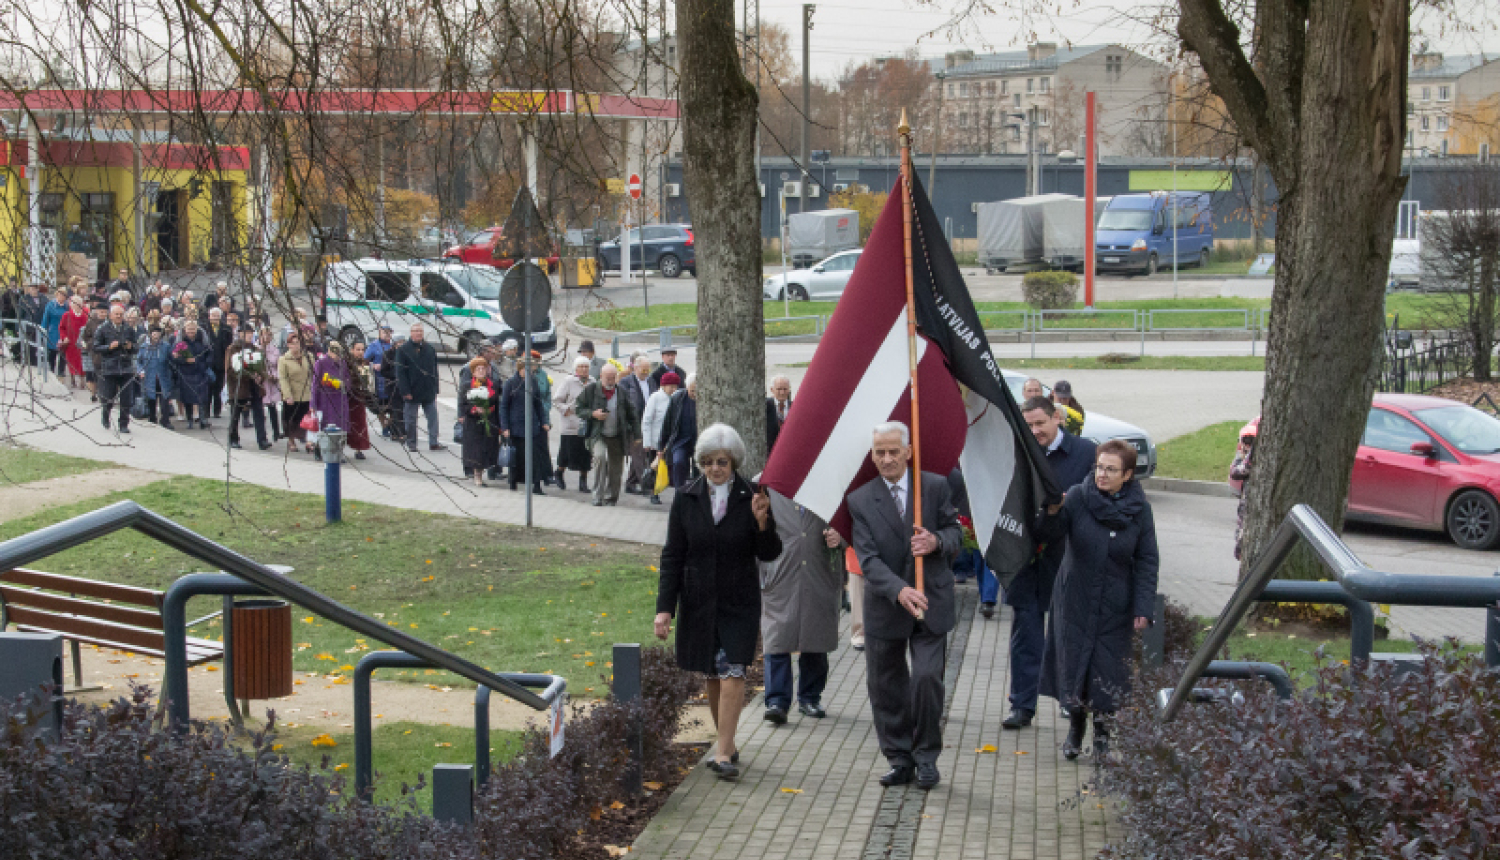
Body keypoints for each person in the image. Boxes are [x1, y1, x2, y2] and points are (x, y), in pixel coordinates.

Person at [654, 424, 781, 781]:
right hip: (699, 601)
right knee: (712, 673)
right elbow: (672, 555)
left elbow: (770, 552)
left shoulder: (753, 494)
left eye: (722, 462)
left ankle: (723, 752)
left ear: (734, 462)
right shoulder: (686, 496)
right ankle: (727, 740)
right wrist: (665, 609)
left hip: (739, 601)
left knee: (733, 670)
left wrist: (762, 523)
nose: (715, 469)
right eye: (707, 462)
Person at [848, 421, 962, 791]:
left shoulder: (934, 486)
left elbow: (956, 533)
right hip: (887, 605)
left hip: (931, 601)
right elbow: (868, 560)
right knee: (886, 687)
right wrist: (899, 590)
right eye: (879, 452)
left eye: (893, 451)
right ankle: (899, 758)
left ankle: (926, 757)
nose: (885, 459)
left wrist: (936, 542)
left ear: (908, 452)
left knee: (927, 679)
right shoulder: (860, 500)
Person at [1039, 440, 1158, 760]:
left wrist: (1142, 608)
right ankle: (1075, 727)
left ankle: (1103, 734)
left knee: (1107, 671)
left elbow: (1147, 560)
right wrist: (1051, 512)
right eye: (1099, 467)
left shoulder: (1140, 509)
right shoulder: (1078, 496)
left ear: (1128, 475)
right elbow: (1051, 534)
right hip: (1075, 597)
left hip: (1115, 603)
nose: (1102, 475)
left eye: (1111, 470)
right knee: (1075, 664)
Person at [997, 397, 1098, 731]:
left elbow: (1099, 498)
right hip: (1024, 557)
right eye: (1027, 426)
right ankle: (1022, 706)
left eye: (1040, 423)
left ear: (1057, 418)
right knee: (1025, 631)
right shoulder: (1013, 452)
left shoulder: (1085, 453)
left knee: (1068, 631)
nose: (1035, 431)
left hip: (1067, 556)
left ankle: (1072, 701)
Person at [759, 490, 843, 724]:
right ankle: (777, 701)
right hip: (780, 572)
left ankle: (810, 697)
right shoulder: (765, 486)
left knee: (815, 635)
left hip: (819, 571)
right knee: (777, 636)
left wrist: (841, 537)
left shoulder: (830, 488)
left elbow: (852, 522)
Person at [576, 364, 639, 506]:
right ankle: (597, 495)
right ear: (601, 376)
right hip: (598, 434)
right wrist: (593, 414)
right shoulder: (591, 390)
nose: (611, 381)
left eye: (613, 378)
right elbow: (578, 408)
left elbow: (632, 414)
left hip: (617, 435)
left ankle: (611, 497)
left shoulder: (621, 391)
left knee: (616, 468)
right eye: (608, 378)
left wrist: (637, 435)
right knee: (599, 457)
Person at [499, 360, 551, 494]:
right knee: (517, 456)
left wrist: (544, 421)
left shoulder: (533, 382)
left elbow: (538, 404)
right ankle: (513, 481)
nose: (529, 373)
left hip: (532, 425)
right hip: (516, 426)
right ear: (520, 369)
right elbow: (504, 406)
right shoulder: (511, 383)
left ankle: (537, 485)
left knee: (535, 457)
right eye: (526, 370)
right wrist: (505, 427)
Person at [395, 322, 443, 452]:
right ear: (411, 333)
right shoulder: (403, 349)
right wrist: (405, 391)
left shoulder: (429, 349)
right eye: (415, 331)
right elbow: (400, 372)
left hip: (428, 389)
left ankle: (434, 442)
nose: (418, 333)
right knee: (410, 420)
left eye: (420, 331)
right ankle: (411, 443)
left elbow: (434, 370)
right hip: (411, 390)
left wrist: (435, 388)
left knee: (433, 417)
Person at [92, 304, 138, 433]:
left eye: (121, 314)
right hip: (109, 367)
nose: (119, 316)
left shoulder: (128, 329)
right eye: (116, 314)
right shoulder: (102, 329)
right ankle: (105, 415)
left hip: (126, 367)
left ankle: (123, 424)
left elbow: (136, 347)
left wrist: (130, 347)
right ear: (110, 315)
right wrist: (109, 347)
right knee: (108, 396)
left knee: (126, 398)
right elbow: (96, 347)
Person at [550, 356, 593, 491]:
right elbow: (557, 400)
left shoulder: (592, 381)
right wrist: (565, 409)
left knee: (585, 453)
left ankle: (583, 481)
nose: (584, 369)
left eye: (586, 367)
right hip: (571, 423)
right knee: (566, 452)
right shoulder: (569, 381)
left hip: (586, 423)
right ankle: (559, 473)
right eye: (581, 366)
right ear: (576, 368)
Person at [225, 327, 271, 450]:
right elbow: (230, 370)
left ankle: (262, 440)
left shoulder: (255, 349)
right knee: (236, 414)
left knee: (259, 413)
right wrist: (247, 374)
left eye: (251, 333)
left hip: (255, 386)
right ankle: (233, 439)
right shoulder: (233, 349)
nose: (249, 336)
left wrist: (260, 376)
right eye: (246, 333)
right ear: (240, 334)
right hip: (239, 387)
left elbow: (262, 367)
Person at [640, 371, 679, 505]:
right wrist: (647, 441)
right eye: (671, 386)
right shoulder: (655, 398)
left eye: (675, 386)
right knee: (655, 467)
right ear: (663, 385)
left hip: (671, 440)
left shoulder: (677, 398)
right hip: (656, 440)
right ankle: (653, 493)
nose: (673, 389)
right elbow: (647, 420)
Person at [460, 357, 500, 486]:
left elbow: (497, 403)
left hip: (489, 421)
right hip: (473, 424)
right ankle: (477, 477)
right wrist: (474, 409)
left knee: (486, 449)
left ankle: (481, 473)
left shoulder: (493, 384)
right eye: (478, 369)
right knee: (476, 451)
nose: (481, 371)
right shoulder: (467, 386)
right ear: (473, 372)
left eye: (483, 368)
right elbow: (463, 404)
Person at [620, 356, 657, 495]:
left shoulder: (651, 381)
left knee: (640, 453)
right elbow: (623, 404)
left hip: (648, 423)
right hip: (633, 424)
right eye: (643, 370)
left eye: (648, 370)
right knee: (639, 454)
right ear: (635, 368)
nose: (646, 373)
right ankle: (645, 484)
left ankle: (630, 483)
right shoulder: (626, 382)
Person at [171, 318, 216, 429]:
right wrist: (185, 360)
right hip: (186, 373)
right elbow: (174, 358)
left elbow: (209, 355)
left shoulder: (202, 341)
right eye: (189, 330)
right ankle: (189, 420)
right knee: (187, 398)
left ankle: (202, 419)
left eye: (193, 329)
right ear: (185, 330)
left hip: (200, 372)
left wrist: (204, 365)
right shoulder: (180, 342)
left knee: (202, 397)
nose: (191, 332)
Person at [658, 373, 699, 489]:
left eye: (697, 391)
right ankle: (679, 493)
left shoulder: (705, 400)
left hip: (699, 441)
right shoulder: (677, 398)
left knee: (699, 469)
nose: (695, 394)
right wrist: (661, 446)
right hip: (681, 440)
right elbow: (667, 423)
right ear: (686, 388)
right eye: (692, 391)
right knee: (678, 462)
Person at [311, 341, 351, 459]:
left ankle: (338, 452)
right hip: (325, 400)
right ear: (328, 351)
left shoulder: (343, 363)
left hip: (340, 400)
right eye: (334, 351)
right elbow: (315, 384)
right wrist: (313, 403)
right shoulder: (321, 363)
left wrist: (345, 384)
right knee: (323, 427)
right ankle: (319, 449)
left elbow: (348, 379)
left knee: (341, 427)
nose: (336, 354)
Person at [277, 334, 316, 454]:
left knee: (307, 419)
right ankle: (291, 440)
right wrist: (287, 395)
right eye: (292, 343)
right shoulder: (283, 359)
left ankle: (309, 442)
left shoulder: (308, 356)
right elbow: (283, 378)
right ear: (288, 345)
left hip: (306, 393)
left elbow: (314, 374)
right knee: (291, 419)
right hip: (292, 394)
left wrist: (314, 392)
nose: (295, 346)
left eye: (297, 343)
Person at [1230, 418, 1259, 561]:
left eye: (1251, 441)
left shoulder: (1256, 457)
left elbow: (1240, 471)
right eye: (1245, 440)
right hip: (1245, 505)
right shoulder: (1244, 457)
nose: (1247, 444)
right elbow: (1235, 473)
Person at [137, 326, 176, 429]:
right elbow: (138, 362)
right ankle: (152, 418)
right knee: (151, 400)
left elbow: (172, 360)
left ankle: (165, 420)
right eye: (154, 334)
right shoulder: (144, 347)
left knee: (165, 399)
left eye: (158, 334)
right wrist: (140, 371)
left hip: (163, 377)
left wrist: (175, 356)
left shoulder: (166, 346)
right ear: (150, 334)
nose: (156, 336)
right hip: (150, 377)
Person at [363, 325, 398, 438]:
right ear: (379, 332)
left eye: (389, 332)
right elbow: (364, 361)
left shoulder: (394, 345)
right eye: (384, 332)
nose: (387, 334)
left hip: (392, 380)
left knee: (393, 406)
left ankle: (391, 424)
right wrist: (373, 365)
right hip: (379, 381)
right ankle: (384, 426)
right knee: (380, 406)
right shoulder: (374, 346)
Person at [344, 341, 373, 460]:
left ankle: (358, 449)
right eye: (358, 349)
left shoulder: (365, 363)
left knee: (360, 423)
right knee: (345, 423)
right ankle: (340, 449)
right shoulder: (347, 363)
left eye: (362, 350)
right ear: (352, 350)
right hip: (348, 397)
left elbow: (369, 381)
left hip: (360, 397)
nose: (360, 352)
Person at [256, 325, 283, 441]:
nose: (266, 337)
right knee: (261, 409)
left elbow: (278, 364)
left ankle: (276, 432)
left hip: (272, 381)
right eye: (264, 335)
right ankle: (263, 434)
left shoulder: (274, 349)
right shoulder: (256, 348)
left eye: (269, 335)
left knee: (273, 407)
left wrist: (275, 376)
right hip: (261, 382)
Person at [56, 296, 89, 389]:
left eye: (79, 304)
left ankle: (82, 381)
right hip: (70, 343)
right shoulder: (66, 315)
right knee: (71, 361)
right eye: (74, 303)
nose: (77, 306)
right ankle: (73, 379)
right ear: (71, 305)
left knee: (82, 361)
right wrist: (64, 337)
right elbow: (61, 328)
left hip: (82, 343)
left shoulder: (85, 316)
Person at [40, 288, 68, 376]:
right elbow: (45, 319)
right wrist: (43, 332)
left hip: (64, 332)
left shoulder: (67, 306)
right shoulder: (50, 305)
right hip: (53, 332)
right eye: (60, 294)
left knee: (63, 353)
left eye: (64, 295)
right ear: (56, 295)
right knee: (52, 353)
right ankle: (51, 371)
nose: (62, 297)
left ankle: (61, 372)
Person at [765, 375, 793, 454]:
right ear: (772, 390)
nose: (782, 392)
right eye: (779, 389)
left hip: (789, 452)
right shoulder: (764, 407)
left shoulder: (795, 407)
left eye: (785, 389)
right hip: (769, 454)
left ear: (789, 390)